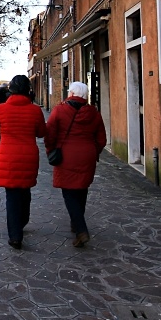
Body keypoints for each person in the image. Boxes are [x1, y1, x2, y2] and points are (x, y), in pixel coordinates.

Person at [0, 75, 47, 250]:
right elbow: (41, 132)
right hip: (28, 155)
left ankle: (15, 235)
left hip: (8, 156)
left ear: (11, 89)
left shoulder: (2, 109)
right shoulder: (35, 110)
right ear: (28, 90)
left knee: (11, 196)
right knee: (25, 190)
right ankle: (23, 220)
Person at [45, 81, 107, 248]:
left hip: (66, 154)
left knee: (69, 193)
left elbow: (49, 133)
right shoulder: (94, 113)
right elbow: (101, 138)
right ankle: (75, 222)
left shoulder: (60, 110)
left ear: (71, 93)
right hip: (87, 154)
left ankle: (81, 229)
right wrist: (94, 151)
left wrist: (51, 150)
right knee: (82, 189)